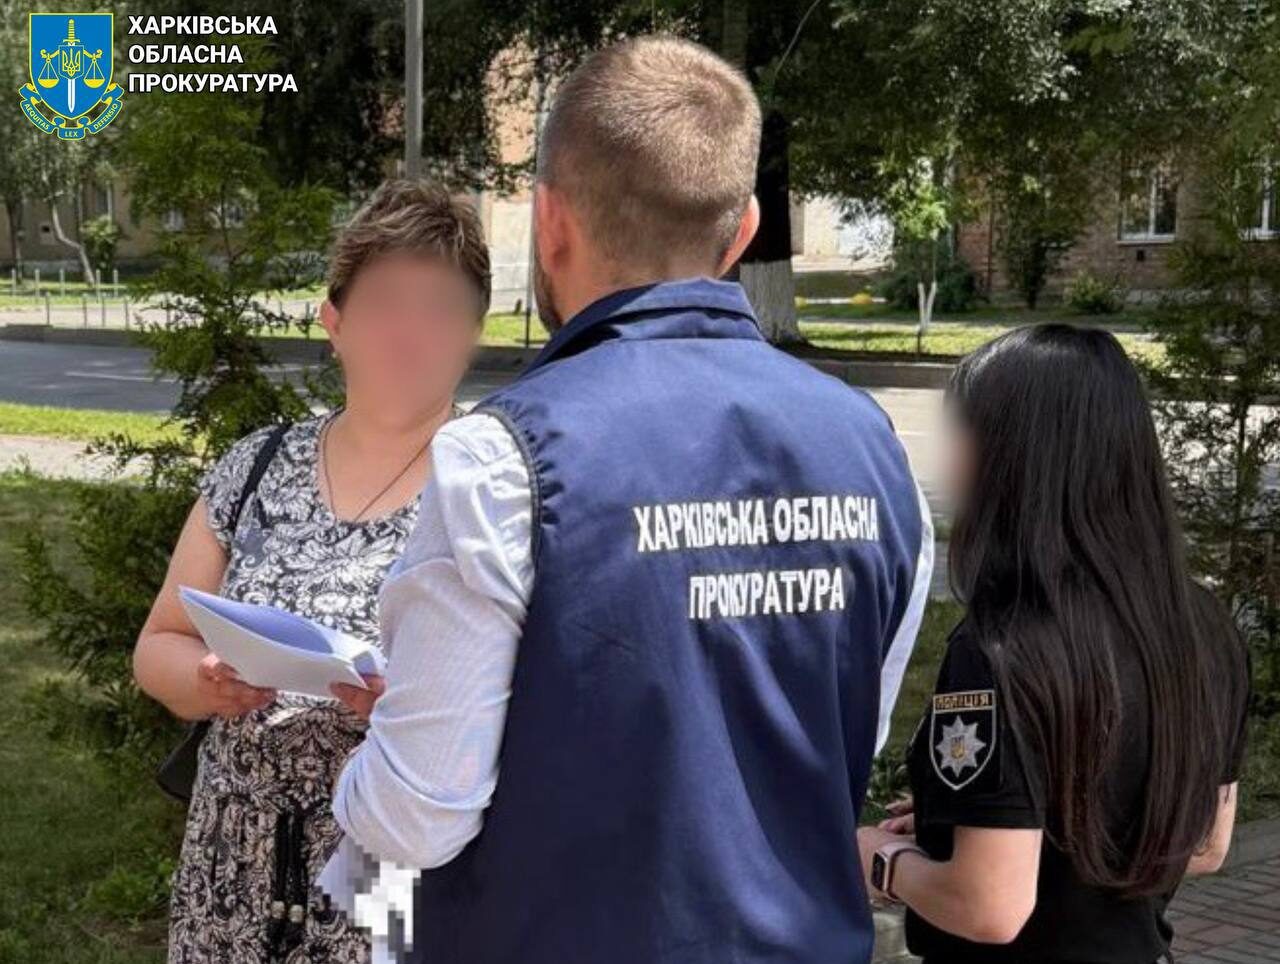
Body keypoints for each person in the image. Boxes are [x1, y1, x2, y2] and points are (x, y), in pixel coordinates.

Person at [320, 35, 934, 964]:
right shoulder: (876, 450)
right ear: (742, 231)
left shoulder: (502, 456)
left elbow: (417, 815)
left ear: (550, 221)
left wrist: (370, 765)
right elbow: (843, 737)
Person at [132, 179, 491, 964]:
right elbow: (158, 644)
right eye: (387, 304)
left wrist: (415, 711)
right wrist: (207, 680)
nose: (410, 333)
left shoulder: (490, 492)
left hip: (384, 863)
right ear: (335, 322)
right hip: (231, 857)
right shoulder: (257, 467)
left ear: (474, 332)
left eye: (440, 309)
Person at [857, 324, 1251, 963]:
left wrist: (881, 858)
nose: (948, 460)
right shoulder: (1204, 627)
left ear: (1014, 458)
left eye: (963, 433)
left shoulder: (999, 648)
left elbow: (988, 906)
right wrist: (972, 819)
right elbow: (1204, 844)